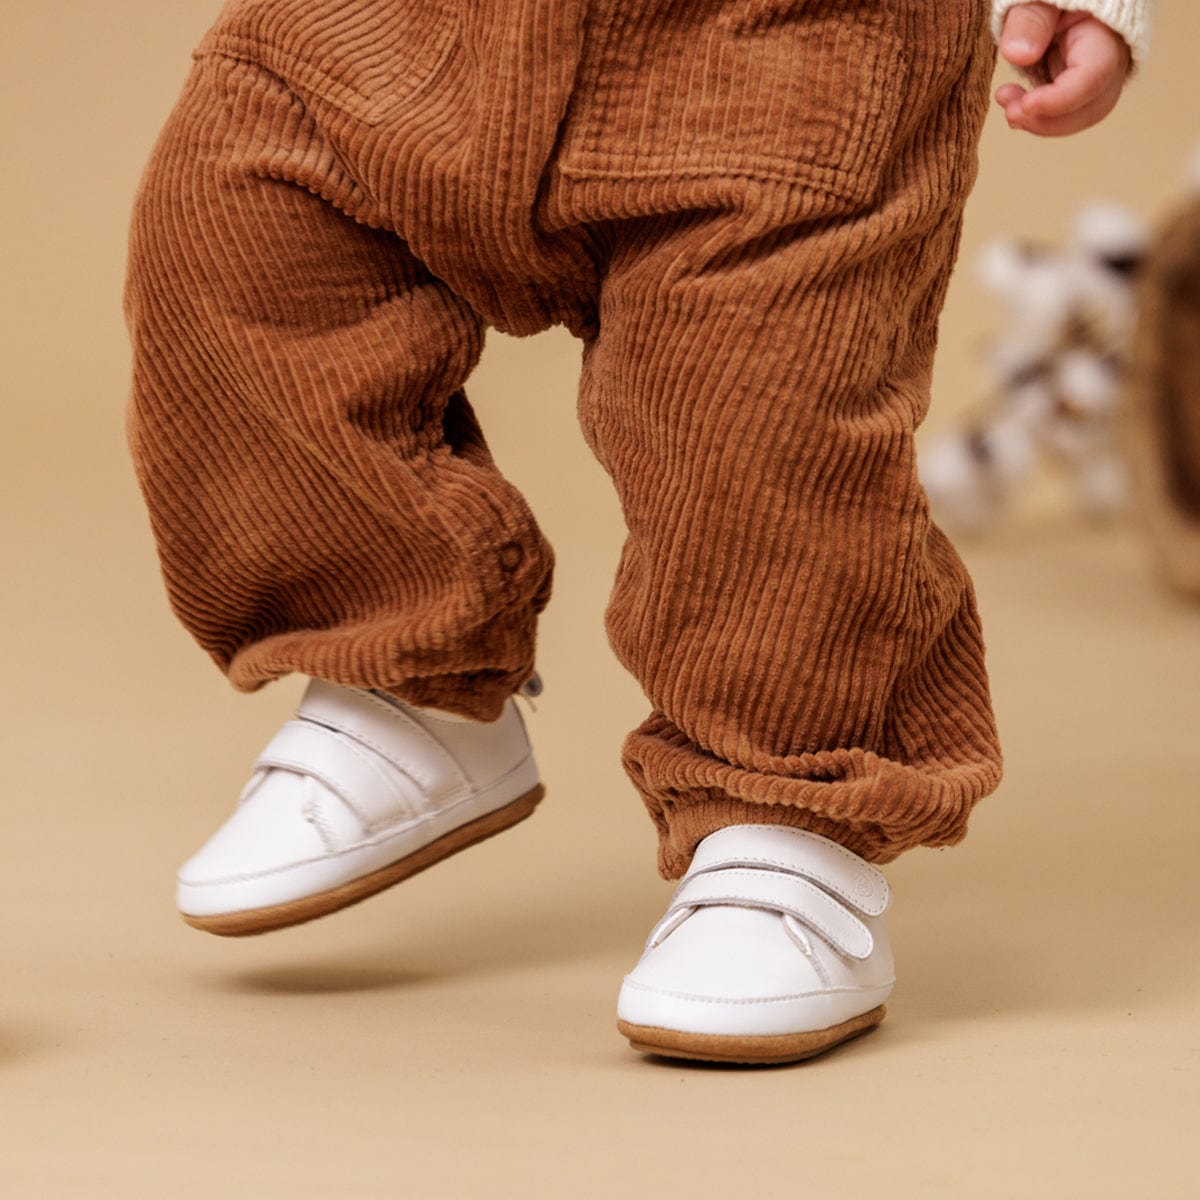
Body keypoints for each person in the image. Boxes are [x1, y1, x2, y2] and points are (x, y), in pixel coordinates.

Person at [123, 0, 1151, 1065]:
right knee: (234, 209)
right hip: (419, 24)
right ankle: (400, 665)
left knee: (760, 407)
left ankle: (785, 818)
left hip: (790, 48)